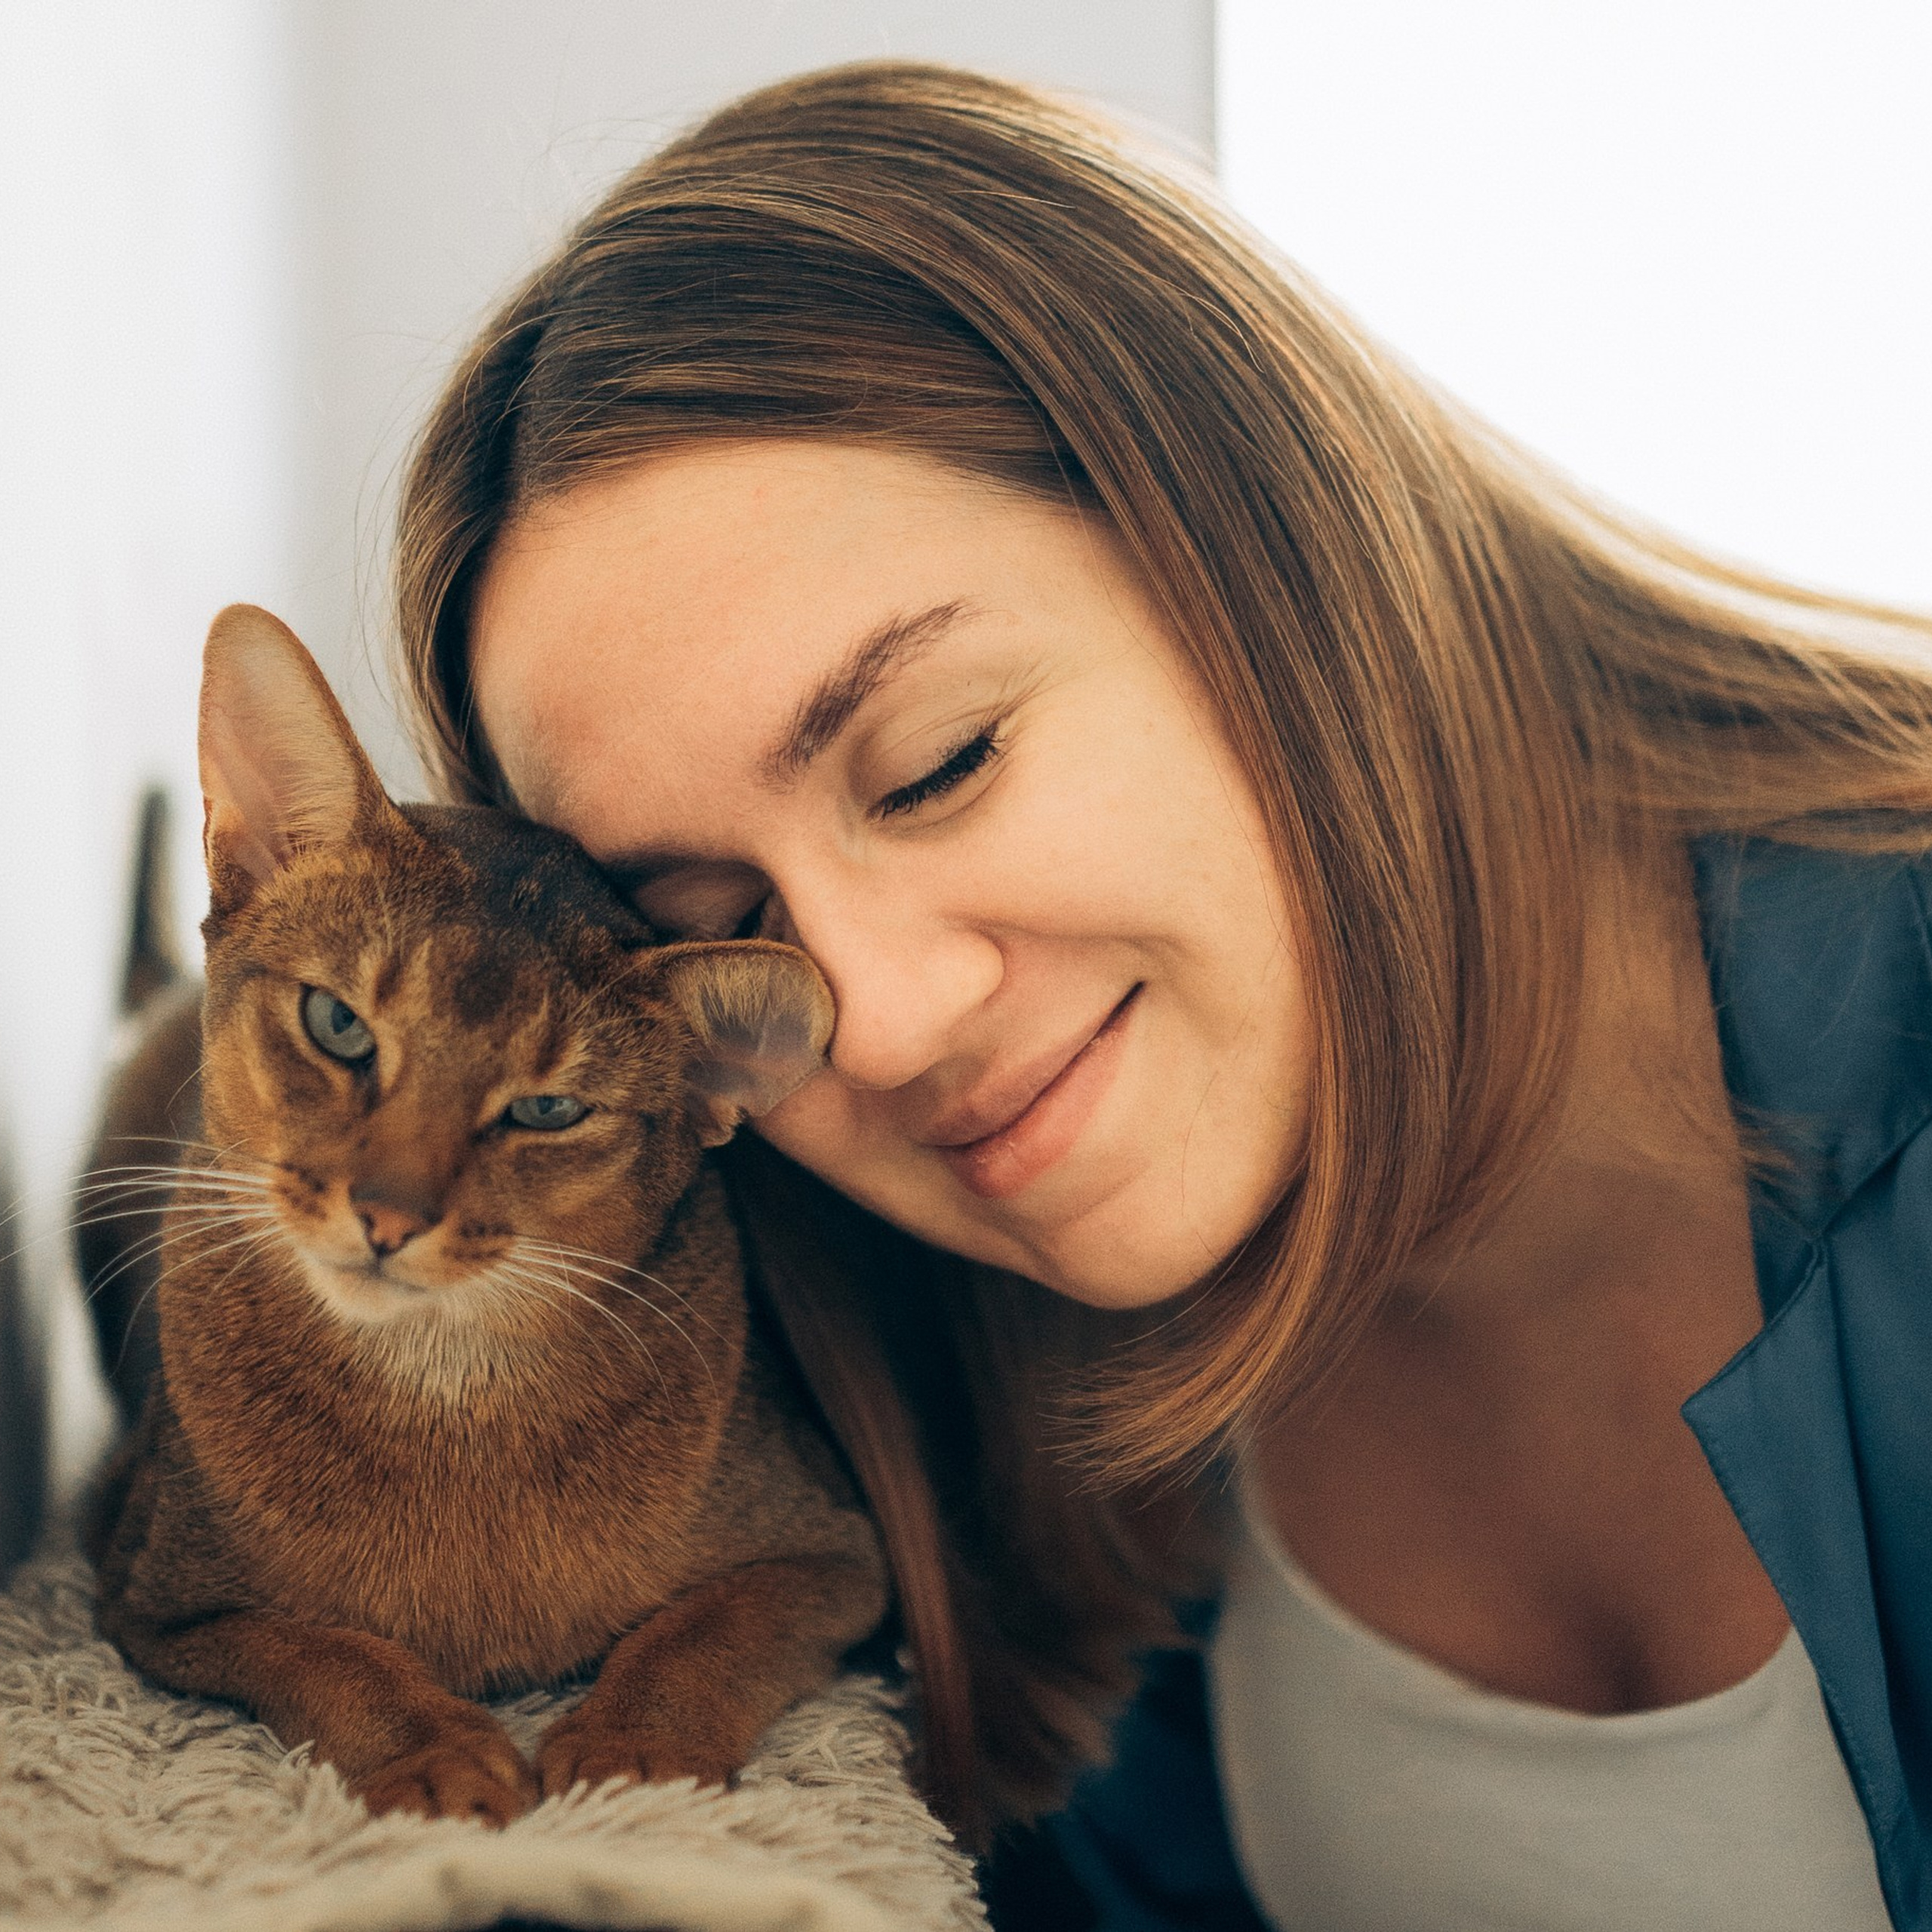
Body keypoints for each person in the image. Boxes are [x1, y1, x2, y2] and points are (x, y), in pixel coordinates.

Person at [388, 61, 1932, 1931]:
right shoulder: (946, 1414)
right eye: (719, 932)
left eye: (939, 763)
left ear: (1279, 543)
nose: (881, 1022)